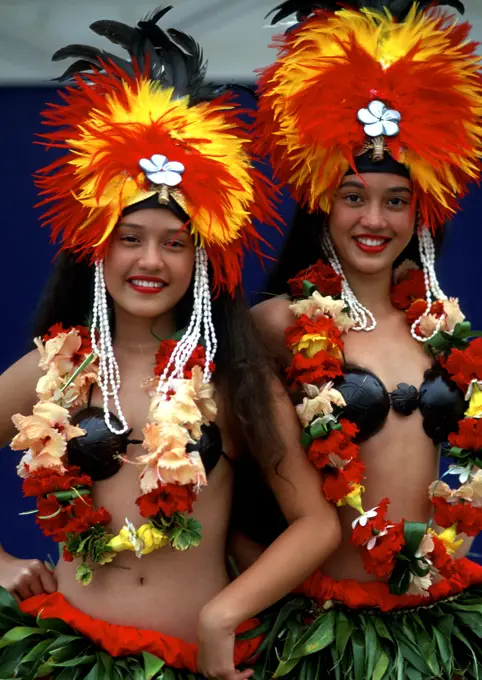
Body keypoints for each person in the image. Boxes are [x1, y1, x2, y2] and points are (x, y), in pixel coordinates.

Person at [0, 7, 341, 679]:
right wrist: (4, 565)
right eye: (131, 238)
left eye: (174, 243)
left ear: (202, 260)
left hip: (195, 663)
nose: (150, 260)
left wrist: (225, 614)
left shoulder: (229, 379)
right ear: (97, 250)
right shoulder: (56, 372)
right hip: (67, 657)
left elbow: (316, 523)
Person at [249, 0, 482, 676]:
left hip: (441, 620)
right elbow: (227, 477)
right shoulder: (276, 327)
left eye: (395, 200)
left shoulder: (447, 333)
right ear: (324, 199)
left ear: (421, 208)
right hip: (320, 629)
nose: (374, 219)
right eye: (353, 196)